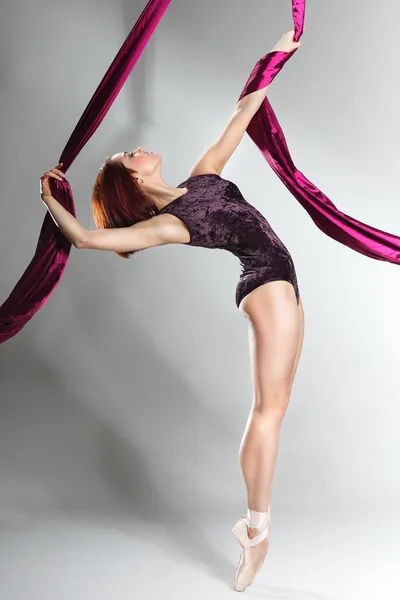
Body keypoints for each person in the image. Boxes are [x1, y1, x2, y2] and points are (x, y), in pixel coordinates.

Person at [40, 30, 304, 592]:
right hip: (268, 284)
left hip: (274, 284)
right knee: (268, 413)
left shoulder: (203, 177)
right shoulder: (168, 224)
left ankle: (255, 529)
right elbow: (87, 240)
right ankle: (256, 531)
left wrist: (278, 54)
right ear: (133, 177)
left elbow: (241, 115)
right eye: (129, 155)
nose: (137, 148)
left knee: (272, 408)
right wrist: (49, 198)